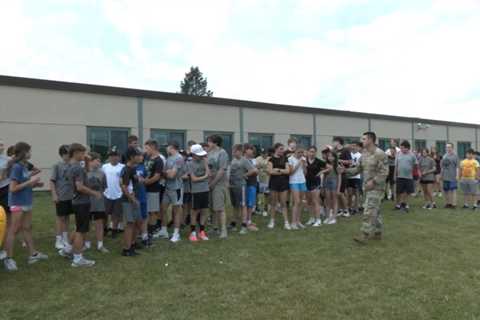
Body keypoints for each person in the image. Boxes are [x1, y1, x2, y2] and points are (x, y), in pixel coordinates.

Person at [4, 142, 48, 271]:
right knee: (13, 230)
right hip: (18, 203)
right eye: (29, 151)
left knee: (27, 228)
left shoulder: (23, 166)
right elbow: (13, 188)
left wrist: (34, 185)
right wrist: (30, 181)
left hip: (26, 201)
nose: (30, 153)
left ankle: (33, 254)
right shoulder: (16, 167)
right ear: (23, 152)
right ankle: (9, 259)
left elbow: (23, 184)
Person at [342, 132, 388, 244]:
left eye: (363, 139)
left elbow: (385, 171)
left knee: (368, 209)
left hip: (377, 187)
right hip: (366, 187)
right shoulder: (364, 154)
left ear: (371, 140)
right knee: (375, 210)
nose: (361, 141)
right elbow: (358, 169)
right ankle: (378, 232)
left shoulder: (380, 154)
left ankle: (364, 234)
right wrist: (345, 171)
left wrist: (374, 181)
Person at [60, 143, 102, 268]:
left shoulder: (71, 166)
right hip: (82, 202)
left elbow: (86, 173)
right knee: (81, 231)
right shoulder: (77, 167)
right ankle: (78, 258)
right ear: (76, 153)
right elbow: (80, 187)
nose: (85, 155)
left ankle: (67, 249)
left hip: (76, 201)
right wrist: (94, 193)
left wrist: (87, 161)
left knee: (79, 227)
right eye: (83, 153)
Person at [120, 147, 144, 256]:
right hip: (129, 200)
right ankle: (126, 249)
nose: (140, 157)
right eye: (138, 155)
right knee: (129, 224)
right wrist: (133, 199)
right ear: (131, 157)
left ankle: (132, 244)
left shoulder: (133, 168)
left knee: (137, 222)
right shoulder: (127, 169)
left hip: (134, 199)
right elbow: (124, 187)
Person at [229, 144, 257, 234]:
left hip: (241, 185)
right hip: (233, 186)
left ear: (239, 151)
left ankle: (244, 225)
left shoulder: (244, 160)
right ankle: (234, 223)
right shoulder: (233, 160)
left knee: (243, 205)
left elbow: (253, 170)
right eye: (232, 151)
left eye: (234, 151)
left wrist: (245, 175)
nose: (233, 153)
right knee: (235, 205)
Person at [49, 145, 73, 250]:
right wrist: (54, 194)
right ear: (63, 154)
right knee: (60, 218)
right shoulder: (57, 166)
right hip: (61, 196)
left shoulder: (72, 165)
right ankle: (58, 240)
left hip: (70, 196)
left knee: (67, 217)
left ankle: (65, 238)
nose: (70, 155)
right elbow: (52, 181)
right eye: (68, 153)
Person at [161, 141, 185, 243]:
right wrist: (167, 172)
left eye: (167, 147)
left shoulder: (179, 158)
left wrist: (167, 172)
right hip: (167, 187)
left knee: (176, 211)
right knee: (162, 208)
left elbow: (172, 175)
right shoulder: (169, 158)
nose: (166, 149)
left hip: (176, 188)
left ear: (172, 147)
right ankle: (164, 230)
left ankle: (176, 233)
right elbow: (164, 172)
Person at [207, 135, 229, 239]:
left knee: (219, 207)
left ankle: (223, 230)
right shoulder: (209, 153)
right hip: (210, 183)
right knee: (212, 207)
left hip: (219, 184)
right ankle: (214, 227)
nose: (208, 144)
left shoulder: (222, 153)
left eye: (209, 142)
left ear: (215, 143)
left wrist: (213, 183)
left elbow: (222, 170)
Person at [86, 152, 109, 253]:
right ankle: (86, 243)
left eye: (100, 161)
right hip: (86, 202)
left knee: (99, 223)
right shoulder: (85, 172)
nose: (99, 163)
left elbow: (104, 187)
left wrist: (98, 195)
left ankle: (100, 244)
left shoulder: (102, 173)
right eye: (97, 160)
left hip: (99, 202)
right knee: (87, 223)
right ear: (91, 161)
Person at [188, 144, 210, 242]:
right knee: (195, 211)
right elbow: (193, 179)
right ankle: (192, 233)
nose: (201, 156)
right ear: (193, 154)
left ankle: (202, 231)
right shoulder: (190, 164)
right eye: (198, 155)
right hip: (196, 191)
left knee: (204, 210)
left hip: (205, 189)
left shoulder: (204, 161)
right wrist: (205, 177)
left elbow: (209, 174)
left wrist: (206, 165)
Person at [143, 139, 165, 239]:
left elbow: (157, 176)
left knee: (152, 211)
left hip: (153, 189)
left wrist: (145, 182)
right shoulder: (145, 157)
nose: (145, 150)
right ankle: (144, 231)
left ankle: (151, 232)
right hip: (143, 189)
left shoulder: (159, 160)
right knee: (145, 210)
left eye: (147, 148)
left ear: (153, 147)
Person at [267, 143, 291, 230]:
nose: (282, 150)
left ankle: (286, 222)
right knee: (273, 203)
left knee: (283, 203)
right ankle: (272, 221)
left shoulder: (285, 159)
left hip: (283, 183)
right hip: (274, 183)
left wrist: (278, 170)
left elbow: (288, 171)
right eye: (281, 149)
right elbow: (270, 171)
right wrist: (280, 171)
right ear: (276, 149)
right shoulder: (271, 159)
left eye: (283, 149)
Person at [102, 148, 125, 238]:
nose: (113, 158)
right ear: (109, 157)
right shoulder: (104, 167)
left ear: (119, 157)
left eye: (115, 156)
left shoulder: (122, 167)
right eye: (111, 156)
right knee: (104, 214)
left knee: (116, 214)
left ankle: (114, 229)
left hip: (118, 194)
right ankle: (105, 228)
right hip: (106, 194)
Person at [305, 146, 326, 227]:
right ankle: (312, 218)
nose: (312, 153)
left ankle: (318, 220)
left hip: (315, 182)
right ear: (307, 152)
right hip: (306, 183)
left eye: (313, 151)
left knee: (315, 201)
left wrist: (321, 172)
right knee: (309, 202)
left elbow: (329, 168)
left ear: (316, 152)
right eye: (310, 151)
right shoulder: (305, 160)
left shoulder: (319, 161)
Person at [394, 140, 418, 213]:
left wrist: (412, 170)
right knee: (398, 191)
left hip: (408, 177)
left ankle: (405, 204)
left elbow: (416, 164)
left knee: (407, 192)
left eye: (402, 148)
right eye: (401, 148)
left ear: (407, 148)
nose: (401, 149)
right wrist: (394, 175)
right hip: (399, 176)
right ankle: (398, 205)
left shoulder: (412, 155)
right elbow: (396, 165)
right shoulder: (398, 154)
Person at [288, 147, 307, 229]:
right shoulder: (290, 159)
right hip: (294, 181)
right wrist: (299, 163)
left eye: (302, 152)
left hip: (302, 181)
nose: (301, 154)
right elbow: (291, 172)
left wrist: (304, 166)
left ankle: (298, 221)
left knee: (301, 202)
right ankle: (293, 222)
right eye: (299, 152)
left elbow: (305, 173)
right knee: (297, 201)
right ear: (295, 151)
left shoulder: (303, 159)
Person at [333, 137, 352, 217]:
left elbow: (350, 162)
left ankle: (346, 210)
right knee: (337, 193)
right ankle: (341, 209)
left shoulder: (345, 150)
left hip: (343, 173)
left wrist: (340, 160)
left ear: (338, 142)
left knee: (341, 193)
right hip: (335, 174)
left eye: (334, 142)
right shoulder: (335, 151)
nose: (333, 143)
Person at [243, 144, 259, 231]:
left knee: (250, 204)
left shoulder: (252, 160)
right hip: (246, 184)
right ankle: (246, 222)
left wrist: (254, 171)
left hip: (253, 183)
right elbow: (245, 173)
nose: (252, 151)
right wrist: (253, 171)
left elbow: (256, 171)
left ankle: (249, 220)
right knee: (246, 204)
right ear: (245, 150)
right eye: (250, 149)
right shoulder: (243, 160)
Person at [323, 150, 341, 225]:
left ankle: (333, 217)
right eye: (329, 156)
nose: (330, 158)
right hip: (327, 182)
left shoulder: (337, 165)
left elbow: (339, 177)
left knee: (334, 200)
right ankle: (328, 217)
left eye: (332, 156)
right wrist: (323, 185)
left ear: (335, 157)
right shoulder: (326, 164)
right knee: (327, 200)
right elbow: (324, 175)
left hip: (334, 182)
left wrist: (338, 188)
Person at [0, 140, 11, 260]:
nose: (1, 146)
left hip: (5, 190)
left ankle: (7, 253)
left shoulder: (7, 160)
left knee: (7, 221)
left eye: (2, 144)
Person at [441, 143, 459, 209]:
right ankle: (447, 203)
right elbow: (442, 166)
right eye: (447, 147)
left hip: (453, 176)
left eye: (449, 147)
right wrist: (441, 174)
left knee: (453, 190)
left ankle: (454, 204)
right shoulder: (444, 156)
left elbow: (457, 167)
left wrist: (457, 175)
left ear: (452, 148)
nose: (448, 148)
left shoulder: (455, 156)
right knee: (446, 190)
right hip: (445, 176)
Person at [347, 142, 363, 214]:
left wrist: (355, 164)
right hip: (349, 176)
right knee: (349, 193)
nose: (353, 147)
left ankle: (355, 208)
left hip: (356, 176)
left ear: (357, 147)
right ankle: (350, 207)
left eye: (354, 146)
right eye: (352, 145)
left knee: (356, 193)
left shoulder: (360, 155)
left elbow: (361, 165)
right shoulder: (348, 154)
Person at [255, 148, 270, 217]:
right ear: (261, 153)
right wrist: (264, 167)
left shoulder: (270, 158)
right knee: (258, 195)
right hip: (259, 179)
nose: (264, 154)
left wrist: (262, 167)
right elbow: (256, 166)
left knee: (266, 195)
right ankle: (257, 208)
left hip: (267, 179)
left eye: (265, 153)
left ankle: (265, 209)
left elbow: (269, 168)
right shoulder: (258, 158)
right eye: (263, 153)